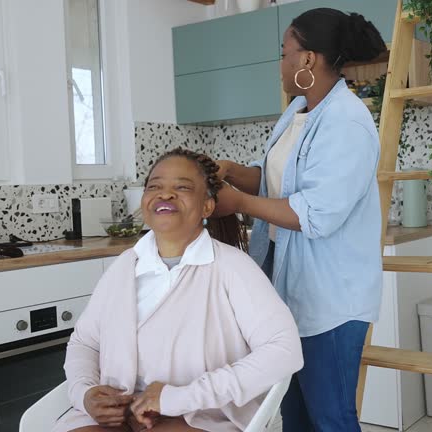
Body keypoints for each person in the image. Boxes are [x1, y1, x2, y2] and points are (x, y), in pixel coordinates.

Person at [211, 8, 386, 432]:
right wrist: (233, 171)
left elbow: (316, 213)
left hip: (332, 302)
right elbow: (274, 184)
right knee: (295, 414)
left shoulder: (347, 122)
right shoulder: (298, 112)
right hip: (288, 295)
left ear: (307, 59)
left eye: (284, 51)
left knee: (330, 416)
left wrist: (236, 202)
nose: (281, 62)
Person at [53, 149, 303, 432]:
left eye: (182, 187)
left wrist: (177, 398)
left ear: (207, 206)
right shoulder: (123, 267)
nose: (166, 194)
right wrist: (85, 393)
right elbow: (85, 343)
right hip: (118, 417)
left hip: (200, 415)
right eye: (154, 186)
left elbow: (285, 350)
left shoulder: (233, 268)